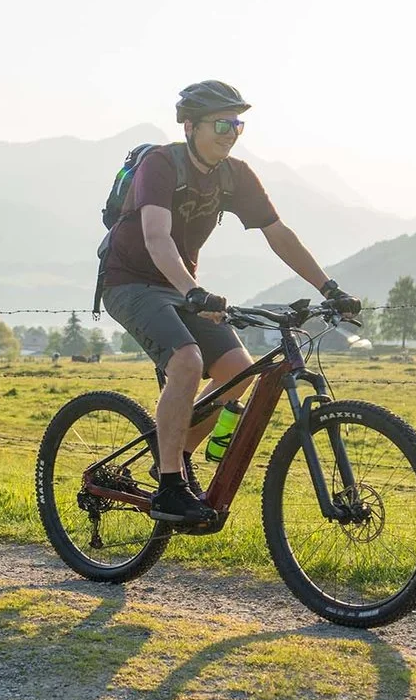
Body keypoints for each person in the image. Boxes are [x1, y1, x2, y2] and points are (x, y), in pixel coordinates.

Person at [96, 80, 357, 526]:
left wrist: (328, 288)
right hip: (130, 281)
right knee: (186, 361)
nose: (231, 132)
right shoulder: (160, 165)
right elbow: (156, 237)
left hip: (181, 286)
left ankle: (173, 457)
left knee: (238, 370)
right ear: (190, 126)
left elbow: (279, 233)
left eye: (238, 123)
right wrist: (192, 292)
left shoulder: (235, 175)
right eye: (221, 123)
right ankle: (171, 488)